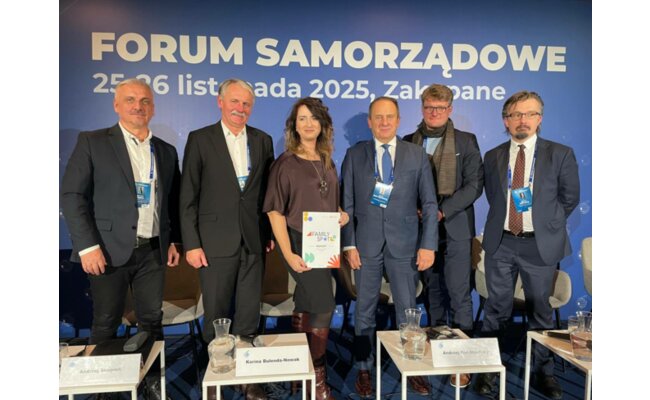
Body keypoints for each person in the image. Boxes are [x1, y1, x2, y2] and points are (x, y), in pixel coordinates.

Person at [61, 78, 181, 400]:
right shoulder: (93, 142)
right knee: (105, 322)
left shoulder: (166, 151)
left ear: (152, 108)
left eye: (145, 101)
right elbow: (72, 196)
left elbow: (171, 202)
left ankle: (151, 384)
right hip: (106, 251)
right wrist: (87, 247)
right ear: (116, 105)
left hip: (152, 251)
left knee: (151, 321)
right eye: (130, 100)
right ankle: (103, 390)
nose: (138, 106)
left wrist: (174, 241)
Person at [473, 91, 579, 399]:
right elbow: (494, 197)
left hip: (539, 246)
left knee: (541, 312)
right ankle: (489, 370)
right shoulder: (493, 156)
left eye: (530, 113)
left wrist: (546, 224)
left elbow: (570, 197)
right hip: (502, 243)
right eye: (516, 114)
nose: (523, 120)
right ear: (506, 120)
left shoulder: (560, 153)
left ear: (539, 119)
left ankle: (544, 372)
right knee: (496, 309)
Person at [179, 78, 274, 400]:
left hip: (253, 239)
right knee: (217, 313)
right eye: (234, 101)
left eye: (246, 103)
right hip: (213, 241)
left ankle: (247, 379)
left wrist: (266, 233)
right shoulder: (200, 139)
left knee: (248, 312)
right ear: (220, 102)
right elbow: (187, 196)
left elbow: (265, 194)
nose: (240, 108)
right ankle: (216, 376)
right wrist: (192, 243)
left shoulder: (262, 140)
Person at [341, 96, 438, 397]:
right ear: (370, 122)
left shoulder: (416, 154)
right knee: (364, 311)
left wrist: (428, 245)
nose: (384, 122)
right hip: (365, 245)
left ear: (398, 120)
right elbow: (346, 204)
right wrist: (349, 244)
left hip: (405, 245)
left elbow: (430, 204)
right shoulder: (354, 155)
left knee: (408, 311)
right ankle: (364, 368)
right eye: (378, 117)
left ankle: (411, 366)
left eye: (390, 117)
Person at [264, 97, 349, 400]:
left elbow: (329, 201)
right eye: (302, 118)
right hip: (299, 243)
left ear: (323, 124)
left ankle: (299, 374)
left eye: (314, 118)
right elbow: (275, 211)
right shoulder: (285, 163)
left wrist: (341, 214)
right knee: (324, 305)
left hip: (325, 243)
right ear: (294, 126)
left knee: (306, 301)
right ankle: (317, 376)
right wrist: (288, 254)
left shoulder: (327, 160)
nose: (309, 123)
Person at [403, 84, 484, 389]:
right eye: (429, 107)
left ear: (450, 109)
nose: (434, 112)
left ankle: (462, 362)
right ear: (422, 108)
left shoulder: (466, 140)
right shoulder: (409, 141)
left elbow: (475, 185)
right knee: (433, 291)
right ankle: (439, 349)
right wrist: (416, 208)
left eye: (440, 107)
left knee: (459, 293)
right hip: (421, 228)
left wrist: (441, 210)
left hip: (455, 225)